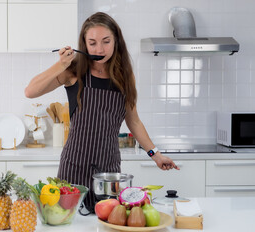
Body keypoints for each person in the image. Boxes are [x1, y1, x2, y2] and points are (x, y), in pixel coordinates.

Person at [24, 12, 179, 212]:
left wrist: (156, 155)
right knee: (71, 222)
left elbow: (134, 121)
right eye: (93, 43)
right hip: (74, 166)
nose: (100, 49)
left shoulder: (124, 76)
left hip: (109, 171)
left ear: (116, 41)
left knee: (108, 221)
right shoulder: (74, 71)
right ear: (84, 44)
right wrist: (61, 63)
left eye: (106, 41)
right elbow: (30, 91)